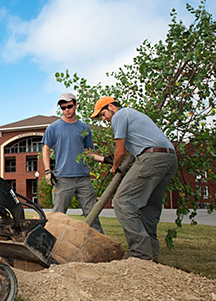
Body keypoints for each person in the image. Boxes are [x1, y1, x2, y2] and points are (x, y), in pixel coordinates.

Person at [91, 97, 178, 261]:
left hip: (152, 158)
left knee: (123, 201)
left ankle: (140, 253)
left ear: (111, 107)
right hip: (169, 158)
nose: (104, 119)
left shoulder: (119, 115)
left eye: (103, 114)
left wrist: (114, 167)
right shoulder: (134, 114)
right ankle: (152, 255)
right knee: (149, 207)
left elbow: (120, 151)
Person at [42, 92, 106, 233]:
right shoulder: (53, 128)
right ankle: (53, 244)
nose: (66, 110)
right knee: (58, 215)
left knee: (92, 213)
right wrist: (47, 171)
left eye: (69, 106)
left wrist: (104, 159)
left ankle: (100, 243)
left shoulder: (84, 128)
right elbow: (45, 149)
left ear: (76, 105)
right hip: (63, 178)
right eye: (63, 108)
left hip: (83, 178)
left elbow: (87, 152)